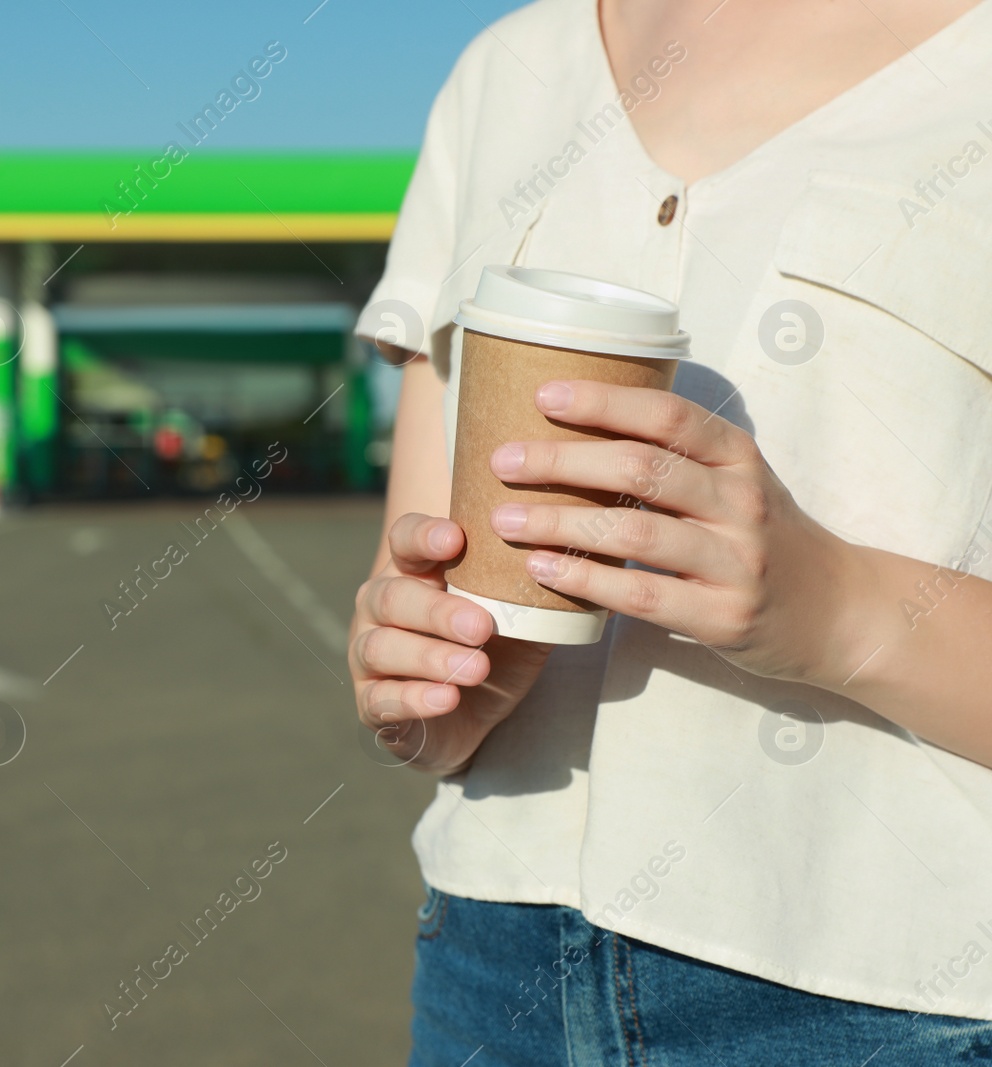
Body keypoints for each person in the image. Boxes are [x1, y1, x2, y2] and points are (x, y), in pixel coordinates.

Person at [350, 0, 992, 1061]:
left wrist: (835, 610)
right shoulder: (506, 71)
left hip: (899, 1005)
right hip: (486, 966)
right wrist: (425, 685)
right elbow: (411, 646)